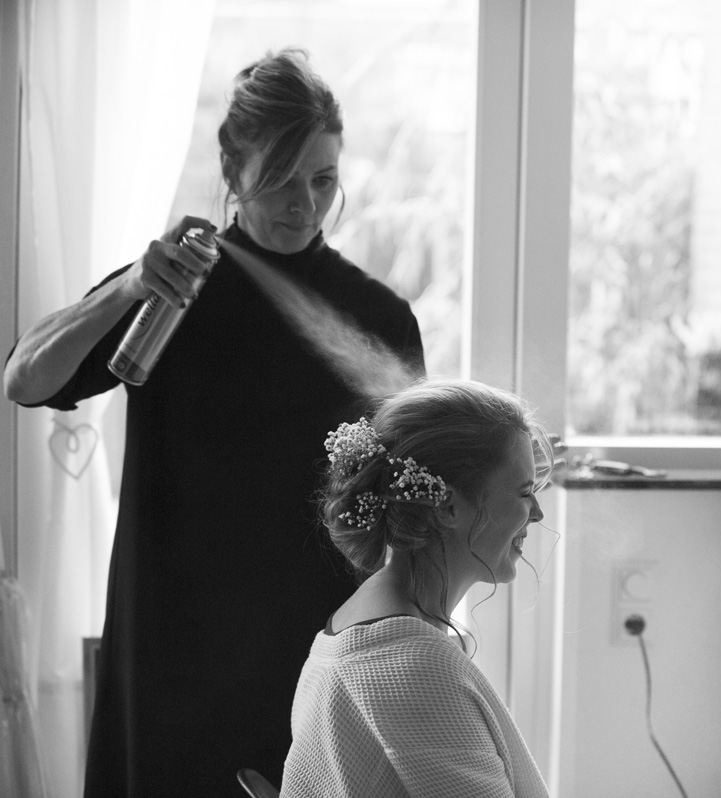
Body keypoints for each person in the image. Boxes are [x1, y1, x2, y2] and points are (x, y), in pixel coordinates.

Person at [3, 49, 425, 796]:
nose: (304, 204)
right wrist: (126, 290)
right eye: (280, 178)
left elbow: (407, 497)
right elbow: (25, 379)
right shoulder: (173, 289)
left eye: (323, 179)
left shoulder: (379, 318)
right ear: (232, 169)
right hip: (171, 647)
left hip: (311, 654)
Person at [281, 379, 551, 798]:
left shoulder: (354, 623)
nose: (537, 512)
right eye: (524, 492)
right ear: (447, 507)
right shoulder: (417, 669)